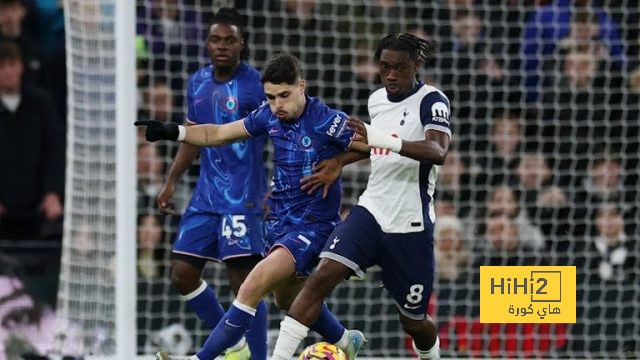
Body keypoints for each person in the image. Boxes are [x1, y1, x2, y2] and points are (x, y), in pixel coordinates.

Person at [136, 52, 367, 360]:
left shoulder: (326, 120)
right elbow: (217, 134)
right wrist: (172, 131)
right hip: (279, 222)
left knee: (251, 285)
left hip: (312, 227)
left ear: (302, 86)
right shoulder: (269, 115)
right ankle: (344, 340)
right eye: (271, 97)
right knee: (287, 301)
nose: (278, 105)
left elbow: (374, 143)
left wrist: (339, 161)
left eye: (284, 95)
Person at [270, 33, 450, 360]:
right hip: (371, 211)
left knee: (414, 322)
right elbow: (375, 145)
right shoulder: (377, 99)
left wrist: (382, 137)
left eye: (400, 67)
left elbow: (437, 151)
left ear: (416, 65)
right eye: (385, 67)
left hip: (409, 224)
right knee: (320, 279)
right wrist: (339, 160)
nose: (391, 75)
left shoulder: (432, 100)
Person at [151, 8, 269, 360]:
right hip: (205, 195)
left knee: (245, 285)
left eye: (229, 40)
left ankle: (258, 357)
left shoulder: (255, 85)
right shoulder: (197, 82)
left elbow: (278, 131)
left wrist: (277, 183)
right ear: (207, 43)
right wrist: (171, 180)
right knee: (182, 273)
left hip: (243, 196)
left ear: (241, 43)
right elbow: (192, 136)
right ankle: (234, 345)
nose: (222, 46)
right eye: (216, 39)